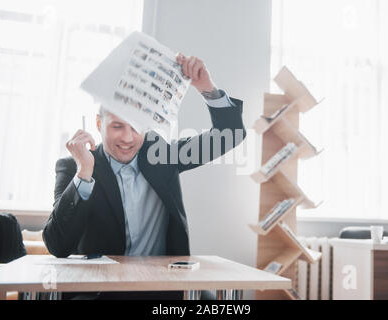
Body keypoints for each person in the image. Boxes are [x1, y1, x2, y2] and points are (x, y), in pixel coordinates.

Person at [42, 53, 246, 300]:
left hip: (162, 286)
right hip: (104, 290)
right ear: (99, 123)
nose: (128, 138)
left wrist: (207, 89)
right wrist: (85, 174)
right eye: (117, 126)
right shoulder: (74, 166)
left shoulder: (163, 157)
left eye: (137, 126)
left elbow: (230, 135)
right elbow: (57, 246)